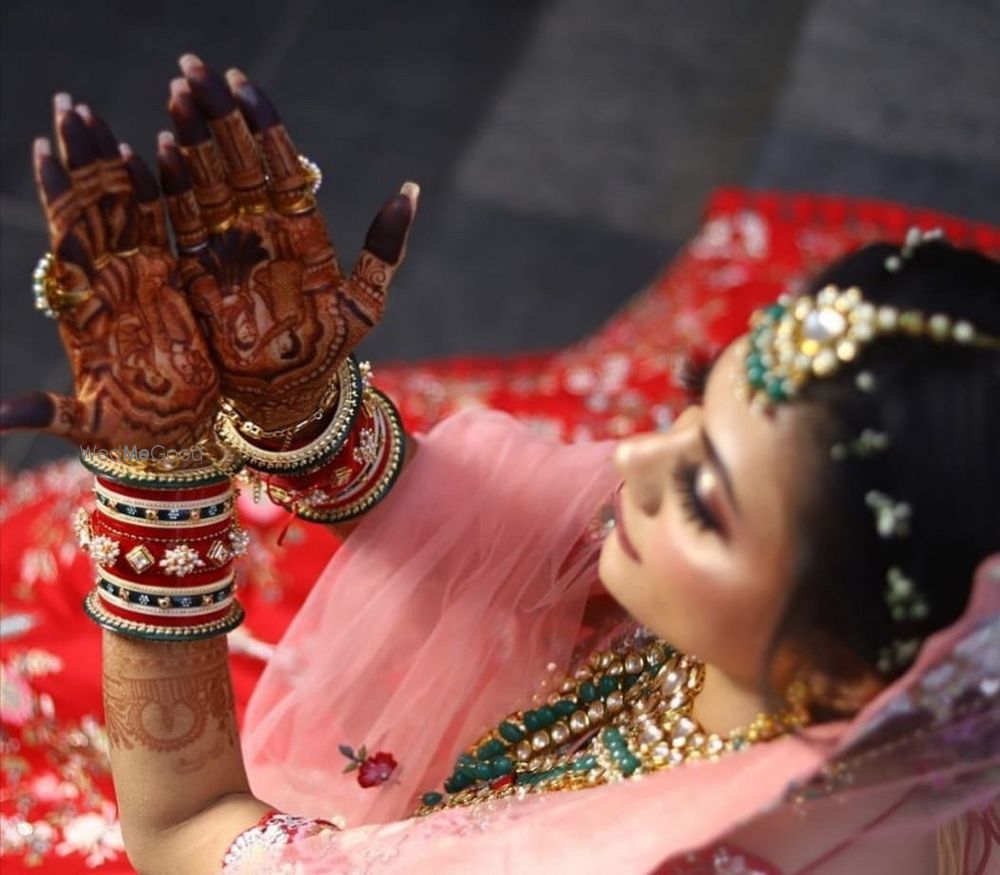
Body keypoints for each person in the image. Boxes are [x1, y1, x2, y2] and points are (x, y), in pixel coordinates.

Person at [1, 54, 997, 874]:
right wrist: (303, 412)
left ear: (843, 664)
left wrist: (160, 483)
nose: (636, 457)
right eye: (697, 406)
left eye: (702, 495)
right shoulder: (871, 673)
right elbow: (524, 548)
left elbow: (185, 827)